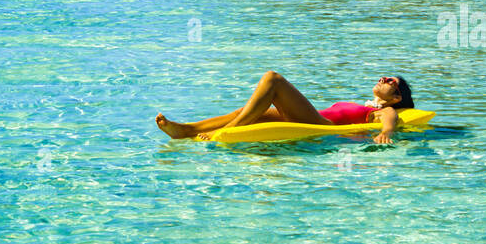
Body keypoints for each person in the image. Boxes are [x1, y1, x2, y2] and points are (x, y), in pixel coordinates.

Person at [156, 72, 414, 145]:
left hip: (322, 126)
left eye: (392, 82)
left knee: (273, 80)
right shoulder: (360, 103)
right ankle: (186, 130)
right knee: (246, 110)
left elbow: (388, 117)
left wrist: (387, 132)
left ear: (396, 98)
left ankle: (222, 134)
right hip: (312, 118)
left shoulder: (380, 110)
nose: (384, 78)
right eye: (385, 76)